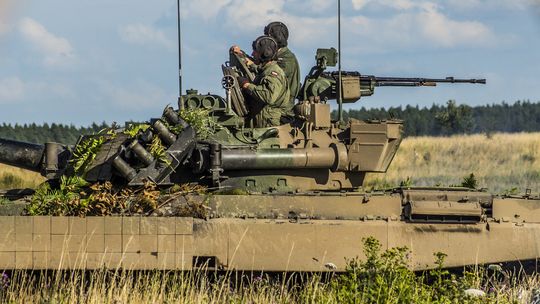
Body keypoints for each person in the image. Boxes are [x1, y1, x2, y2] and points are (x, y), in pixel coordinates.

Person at [231, 21, 300, 103]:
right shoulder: (275, 55)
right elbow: (263, 63)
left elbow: (268, 73)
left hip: (279, 106)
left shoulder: (286, 60)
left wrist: (252, 67)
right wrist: (242, 55)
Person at [237, 36, 292, 128]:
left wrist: (247, 85)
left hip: (268, 124)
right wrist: (241, 55)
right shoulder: (266, 69)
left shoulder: (274, 73)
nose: (253, 54)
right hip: (262, 119)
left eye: (255, 51)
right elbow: (258, 69)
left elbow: (268, 96)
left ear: (264, 54)